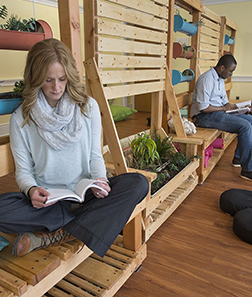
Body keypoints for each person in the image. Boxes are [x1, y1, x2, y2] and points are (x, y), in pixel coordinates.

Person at [0, 38, 149, 257]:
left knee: (138, 184)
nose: (56, 87)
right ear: (36, 78)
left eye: (62, 79)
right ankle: (78, 226)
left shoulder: (87, 107)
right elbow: (24, 171)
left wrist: (100, 181)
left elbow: (95, 156)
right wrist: (32, 190)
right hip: (47, 201)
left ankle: (55, 232)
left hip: (85, 194)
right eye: (48, 80)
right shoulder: (21, 118)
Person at [190, 54, 252, 184]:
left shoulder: (220, 80)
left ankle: (239, 158)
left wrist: (242, 108)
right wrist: (224, 109)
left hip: (216, 113)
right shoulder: (207, 79)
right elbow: (203, 107)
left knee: (250, 120)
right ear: (222, 68)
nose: (231, 74)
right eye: (230, 71)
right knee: (244, 126)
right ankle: (248, 170)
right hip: (203, 117)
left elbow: (226, 104)